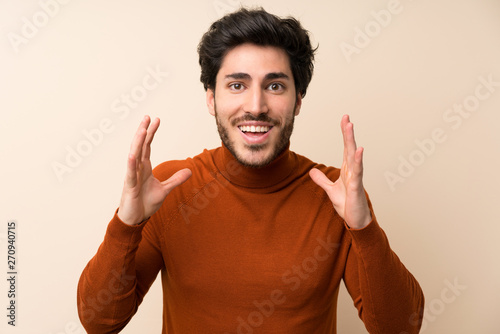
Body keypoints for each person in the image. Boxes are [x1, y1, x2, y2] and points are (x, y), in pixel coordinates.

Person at [77, 7, 424, 334]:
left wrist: (362, 228)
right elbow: (99, 322)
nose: (256, 107)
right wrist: (126, 224)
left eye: (275, 86)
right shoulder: (170, 187)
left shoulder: (337, 193)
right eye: (237, 85)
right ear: (211, 98)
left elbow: (400, 327)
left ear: (298, 99)